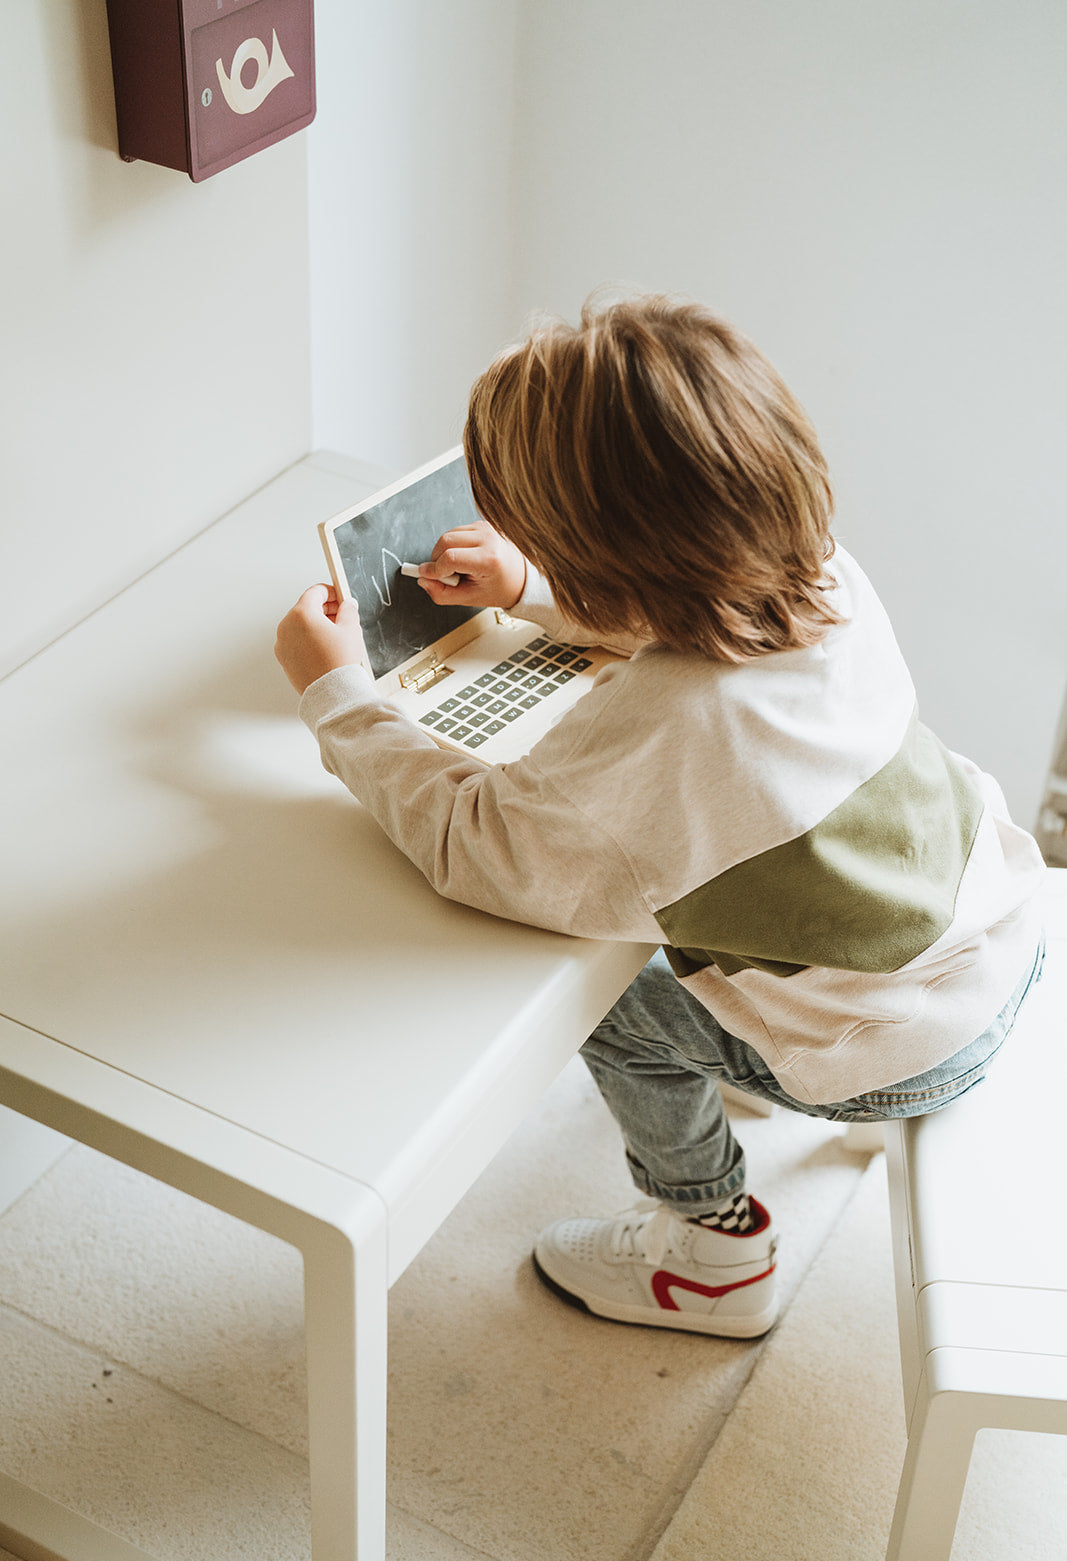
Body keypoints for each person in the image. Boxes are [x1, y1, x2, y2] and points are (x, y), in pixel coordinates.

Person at [275, 294, 1045, 1339]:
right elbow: (677, 609)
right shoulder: (820, 573)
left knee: (598, 997)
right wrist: (535, 587)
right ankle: (753, 1102)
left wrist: (337, 695)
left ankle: (710, 1245)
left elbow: (471, 843)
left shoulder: (665, 734)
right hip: (993, 928)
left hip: (895, 1054)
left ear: (606, 550)